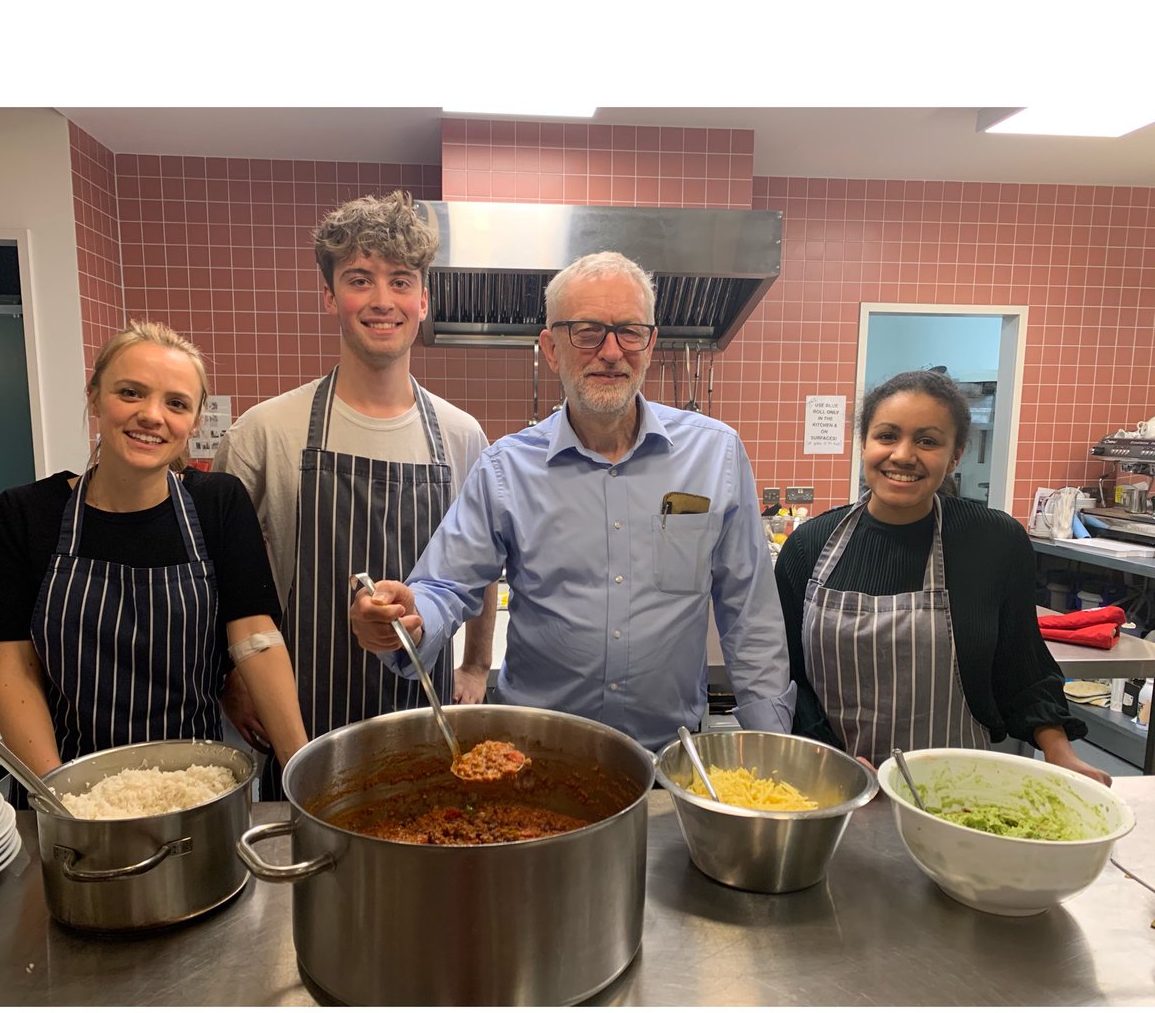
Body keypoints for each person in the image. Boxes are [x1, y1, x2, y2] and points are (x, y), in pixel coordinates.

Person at [350, 250, 796, 754]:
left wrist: (774, 750)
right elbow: (444, 586)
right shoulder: (506, 469)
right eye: (587, 332)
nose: (611, 352)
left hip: (669, 760)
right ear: (552, 349)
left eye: (630, 332)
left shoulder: (715, 455)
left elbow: (750, 615)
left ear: (650, 344)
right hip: (539, 759)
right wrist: (408, 623)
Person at [212, 191, 496, 792]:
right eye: (359, 279)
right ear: (329, 295)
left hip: (428, 725)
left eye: (401, 281)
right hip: (302, 728)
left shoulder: (462, 436)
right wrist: (230, 679)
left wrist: (475, 663)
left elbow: (483, 564)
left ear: (423, 300)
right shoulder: (265, 432)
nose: (382, 300)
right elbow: (214, 573)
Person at [0, 321, 308, 805]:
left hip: (197, 790)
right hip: (65, 780)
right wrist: (63, 802)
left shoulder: (218, 504)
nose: (152, 416)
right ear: (95, 398)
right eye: (130, 393)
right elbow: (15, 668)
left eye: (176, 403)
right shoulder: (25, 514)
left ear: (194, 422)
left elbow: (256, 640)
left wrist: (303, 780)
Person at [774, 367, 1111, 785]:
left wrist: (1061, 753)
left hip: (962, 790)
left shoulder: (995, 542)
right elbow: (790, 679)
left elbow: (1022, 667)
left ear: (955, 456)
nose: (903, 455)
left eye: (927, 441)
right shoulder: (808, 546)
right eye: (887, 436)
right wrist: (831, 759)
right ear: (864, 443)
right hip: (835, 784)